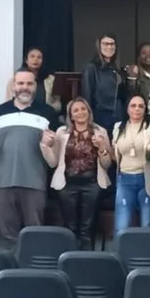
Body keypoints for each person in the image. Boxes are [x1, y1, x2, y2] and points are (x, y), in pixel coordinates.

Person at [0, 69, 59, 244]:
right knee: (7, 234)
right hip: (3, 182)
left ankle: (32, 271)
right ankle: (11, 271)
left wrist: (50, 142)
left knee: (34, 235)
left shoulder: (47, 112)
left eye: (29, 83)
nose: (24, 87)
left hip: (34, 182)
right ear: (14, 86)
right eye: (20, 83)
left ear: (35, 86)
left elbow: (54, 149)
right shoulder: (1, 111)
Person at [46, 97, 112, 250]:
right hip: (67, 184)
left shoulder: (100, 131)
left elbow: (107, 163)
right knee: (70, 226)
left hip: (92, 183)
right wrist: (44, 146)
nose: (80, 112)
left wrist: (102, 147)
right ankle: (69, 259)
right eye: (76, 110)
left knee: (87, 228)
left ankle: (86, 261)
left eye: (83, 109)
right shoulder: (62, 132)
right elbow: (53, 162)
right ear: (71, 115)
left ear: (89, 112)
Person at [110, 95, 150, 238]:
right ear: (127, 108)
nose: (137, 109)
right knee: (121, 225)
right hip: (125, 179)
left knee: (147, 224)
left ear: (145, 109)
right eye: (133, 105)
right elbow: (115, 156)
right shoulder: (118, 127)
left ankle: (147, 258)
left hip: (146, 178)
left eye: (141, 106)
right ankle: (120, 258)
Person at [81, 33, 125, 132]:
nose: (109, 47)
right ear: (99, 46)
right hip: (100, 115)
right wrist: (88, 119)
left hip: (118, 115)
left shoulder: (116, 69)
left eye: (112, 44)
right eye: (105, 44)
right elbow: (86, 96)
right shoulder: (91, 68)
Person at [5, 46, 60, 114]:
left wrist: (47, 110)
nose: (35, 59)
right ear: (26, 60)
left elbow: (58, 104)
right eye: (32, 56)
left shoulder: (51, 80)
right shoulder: (15, 79)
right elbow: (8, 102)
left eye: (39, 57)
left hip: (45, 115)